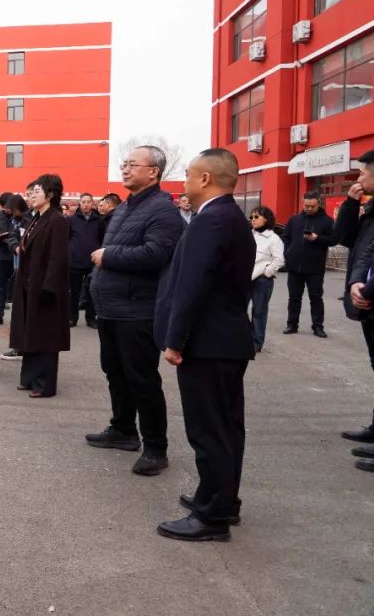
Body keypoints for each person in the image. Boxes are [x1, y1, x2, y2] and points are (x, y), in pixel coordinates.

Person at [155, 148, 255, 542]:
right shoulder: (227, 217)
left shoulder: (211, 221)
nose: (183, 183)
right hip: (224, 340)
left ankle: (212, 516)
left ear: (205, 179)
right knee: (227, 427)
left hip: (208, 343)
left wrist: (175, 340)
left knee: (210, 430)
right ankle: (220, 500)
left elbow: (191, 287)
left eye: (188, 175)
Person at [87, 146, 184, 476]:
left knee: (142, 379)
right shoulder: (127, 206)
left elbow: (157, 254)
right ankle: (123, 430)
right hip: (111, 307)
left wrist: (109, 255)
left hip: (137, 310)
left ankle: (156, 447)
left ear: (153, 171)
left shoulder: (163, 211)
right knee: (115, 372)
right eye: (124, 165)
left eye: (132, 165)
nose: (125, 170)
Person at [9, 175, 70, 397]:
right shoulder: (35, 218)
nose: (31, 195)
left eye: (37, 191)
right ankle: (29, 378)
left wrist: (49, 288)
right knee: (29, 333)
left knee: (45, 336)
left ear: (51, 195)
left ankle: (44, 385)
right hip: (28, 283)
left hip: (44, 287)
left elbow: (57, 258)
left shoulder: (57, 220)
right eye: (31, 192)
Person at [337, 151, 374, 471]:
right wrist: (350, 205)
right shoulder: (369, 208)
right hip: (367, 300)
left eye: (363, 173)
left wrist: (366, 288)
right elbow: (347, 239)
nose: (359, 179)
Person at [282, 191, 336, 338]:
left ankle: (318, 327)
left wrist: (318, 238)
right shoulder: (294, 220)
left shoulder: (327, 221)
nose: (309, 208)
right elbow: (285, 237)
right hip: (295, 267)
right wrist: (288, 253)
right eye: (306, 206)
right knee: (294, 298)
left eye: (312, 206)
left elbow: (334, 240)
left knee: (316, 298)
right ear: (302, 203)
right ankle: (292, 324)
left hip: (315, 268)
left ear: (319, 203)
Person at [249, 206, 284, 353]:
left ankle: (256, 342)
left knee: (259, 311)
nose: (253, 220)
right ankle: (242, 338)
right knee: (238, 310)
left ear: (266, 219)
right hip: (245, 278)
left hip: (262, 280)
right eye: (251, 217)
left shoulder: (274, 238)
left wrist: (267, 273)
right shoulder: (249, 235)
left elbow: (279, 260)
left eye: (256, 217)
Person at [0, 194, 30, 362]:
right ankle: (19, 347)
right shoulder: (15, 221)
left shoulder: (30, 218)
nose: (8, 211)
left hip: (28, 271)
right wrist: (16, 246)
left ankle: (24, 347)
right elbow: (12, 236)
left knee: (24, 312)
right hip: (17, 266)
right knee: (19, 312)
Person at [68, 192, 103, 328]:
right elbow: (66, 238)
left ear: (92, 203)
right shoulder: (71, 220)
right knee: (73, 291)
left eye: (88, 202)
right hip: (74, 261)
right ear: (79, 203)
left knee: (91, 292)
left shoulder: (99, 221)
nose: (86, 204)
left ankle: (91, 318)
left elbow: (102, 239)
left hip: (93, 261)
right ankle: (72, 317)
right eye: (83, 202)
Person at [0, 192, 17, 325]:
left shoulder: (19, 216)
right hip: (2, 256)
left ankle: (19, 317)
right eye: (6, 207)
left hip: (18, 256)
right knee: (0, 287)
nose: (9, 209)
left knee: (17, 288)